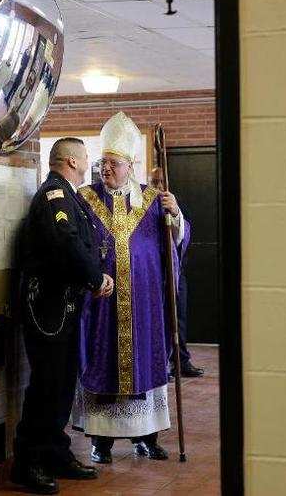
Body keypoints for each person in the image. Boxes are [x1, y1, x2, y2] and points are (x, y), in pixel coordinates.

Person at [72, 112, 190, 464]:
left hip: (144, 305)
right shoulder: (85, 199)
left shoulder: (154, 200)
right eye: (102, 162)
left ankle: (146, 437)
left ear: (130, 165)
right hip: (102, 304)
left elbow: (177, 243)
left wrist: (176, 216)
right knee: (102, 363)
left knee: (145, 364)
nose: (105, 169)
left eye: (113, 163)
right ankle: (101, 442)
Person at [12, 137, 115, 495]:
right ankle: (29, 464)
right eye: (86, 155)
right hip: (48, 309)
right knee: (47, 386)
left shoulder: (68, 195)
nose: (90, 161)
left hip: (64, 306)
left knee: (62, 386)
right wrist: (94, 277)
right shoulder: (54, 195)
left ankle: (55, 453)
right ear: (71, 161)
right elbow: (66, 242)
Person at [149, 167, 204, 378]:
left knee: (178, 317)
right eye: (154, 182)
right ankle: (161, 364)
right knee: (159, 318)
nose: (159, 186)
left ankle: (182, 360)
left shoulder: (175, 204)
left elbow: (184, 234)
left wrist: (173, 213)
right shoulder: (143, 204)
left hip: (176, 271)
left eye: (162, 181)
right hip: (154, 273)